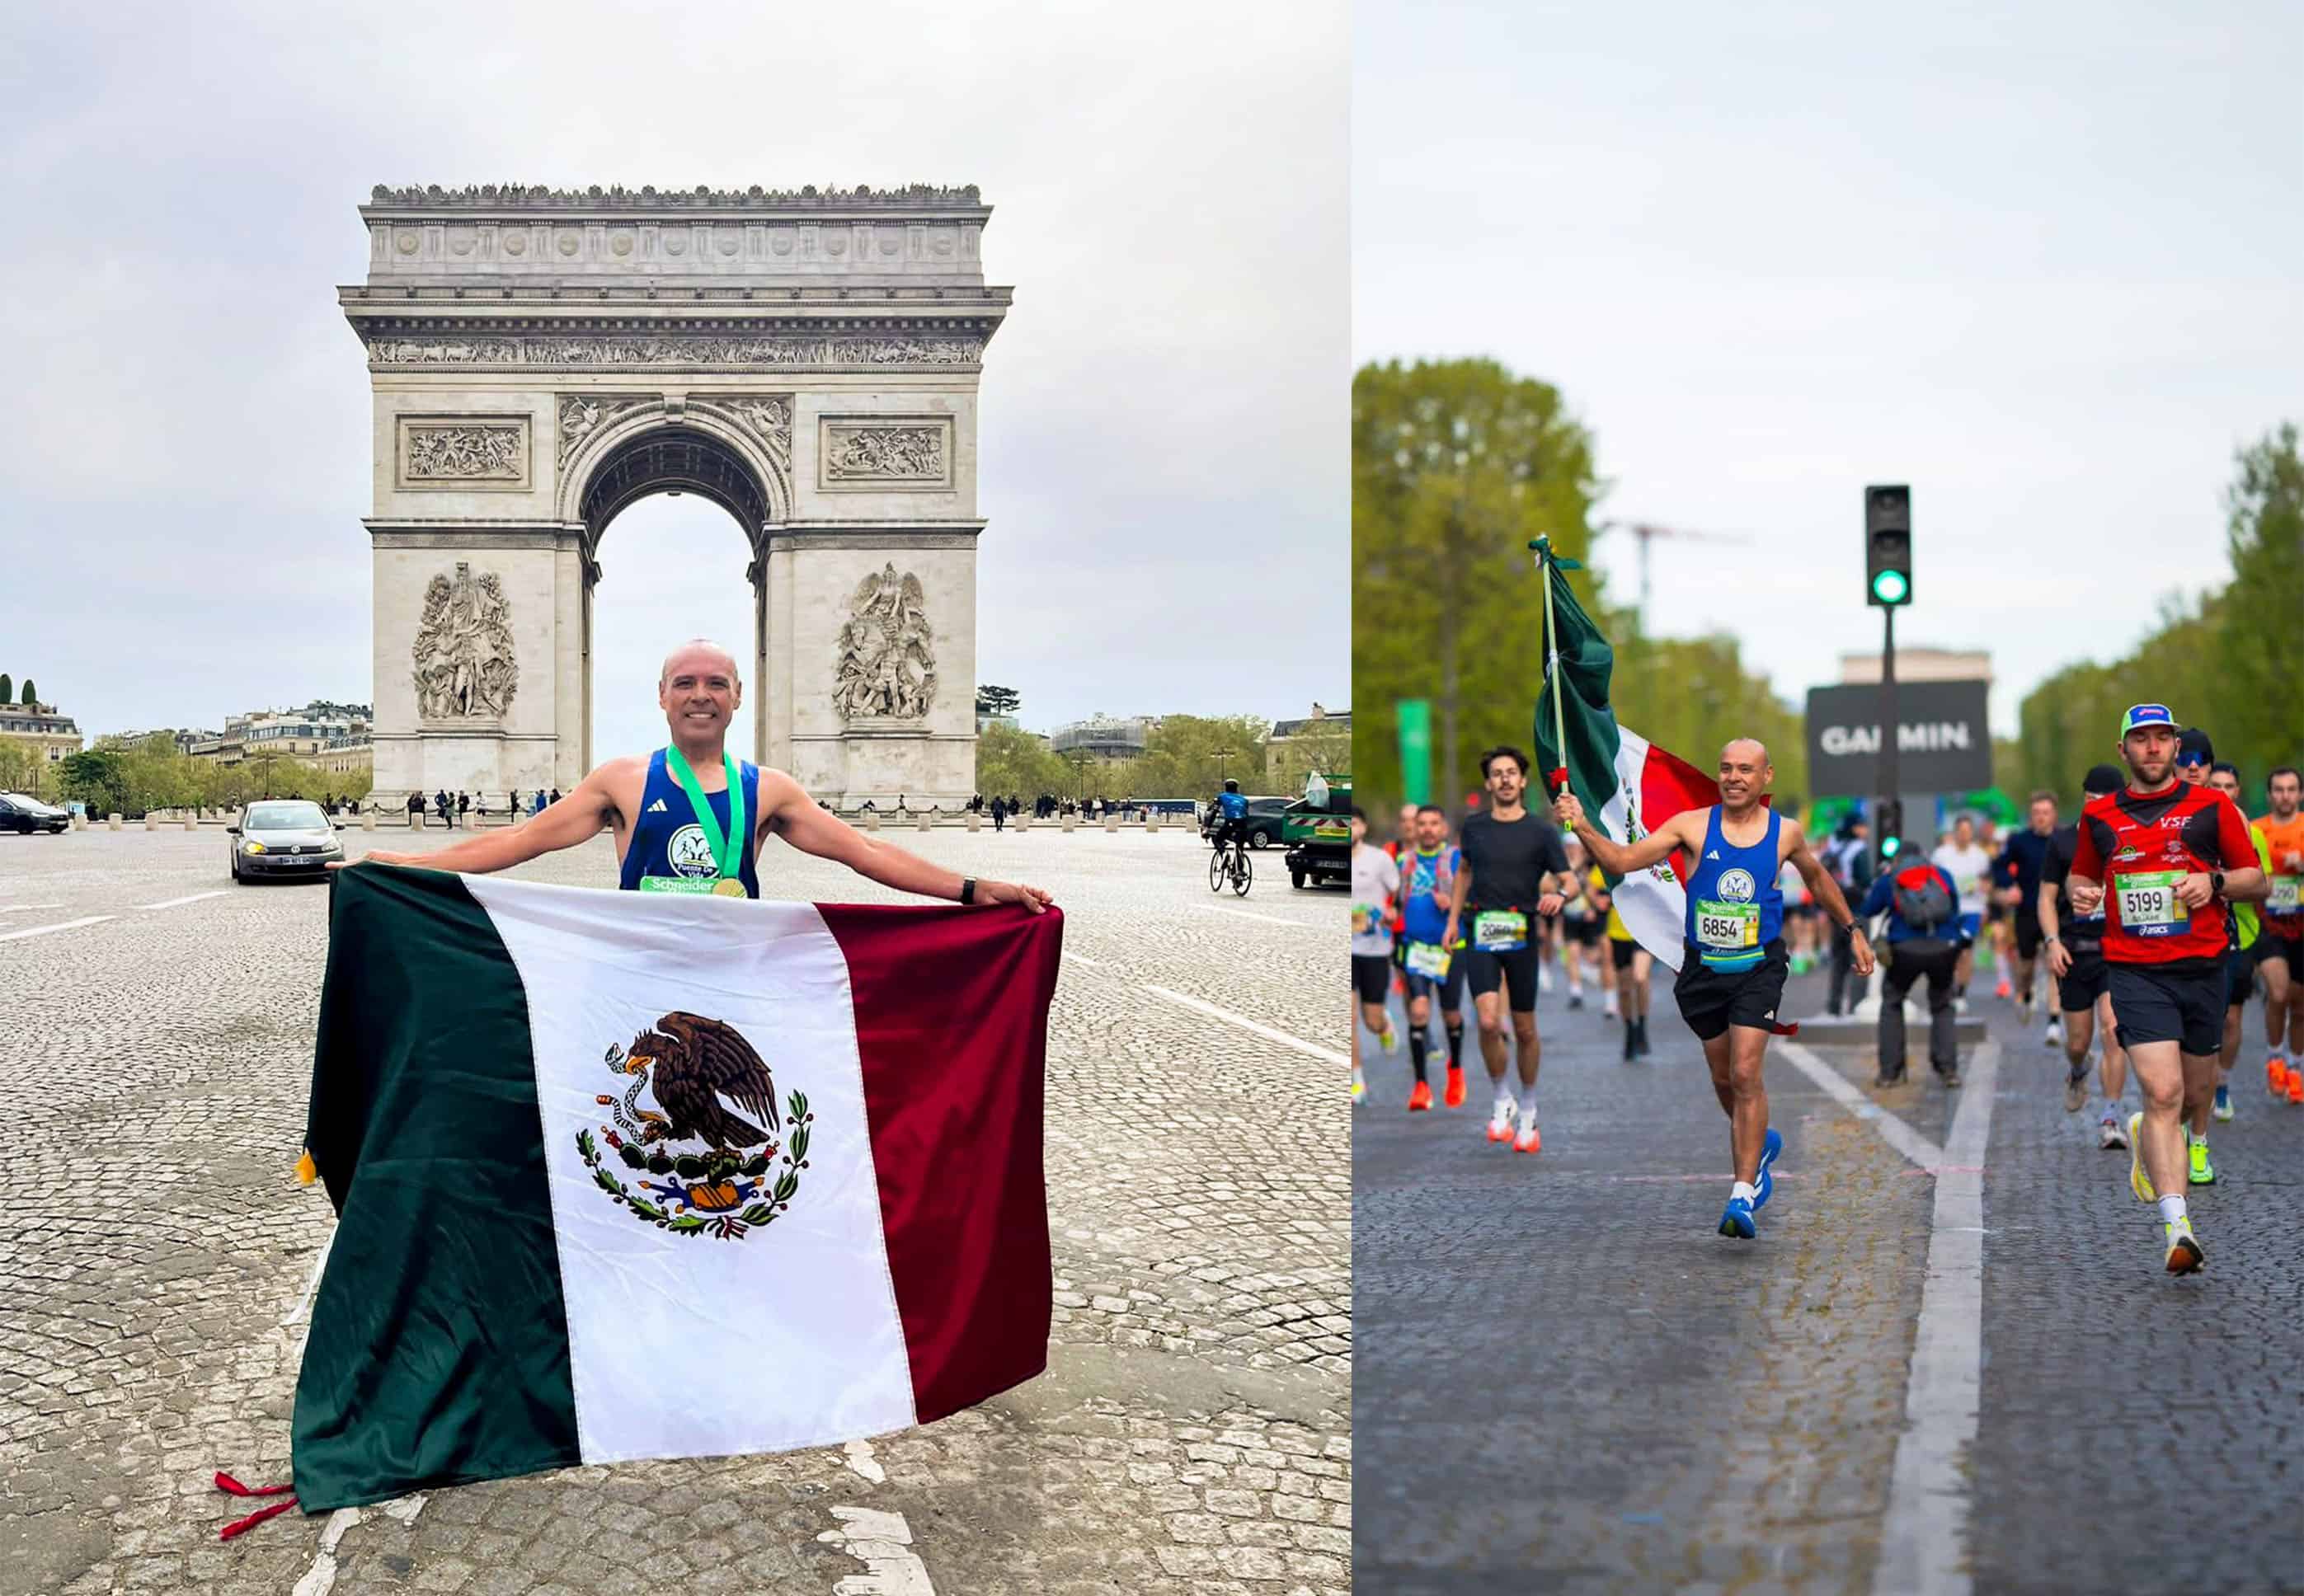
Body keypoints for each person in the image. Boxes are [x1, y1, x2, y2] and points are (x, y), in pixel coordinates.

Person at [345, 637, 1051, 914]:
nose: (700, 695)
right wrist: (407, 864)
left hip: (735, 972)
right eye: (684, 682)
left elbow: (864, 851)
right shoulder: (621, 781)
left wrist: (970, 889)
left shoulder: (771, 789)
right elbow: (519, 841)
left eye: (716, 683)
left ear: (738, 696)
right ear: (662, 696)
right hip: (640, 967)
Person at [1559, 739, 1872, 1238]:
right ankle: (1760, 1144)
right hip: (1703, 970)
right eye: (1726, 768)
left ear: (1766, 776)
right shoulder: (1690, 826)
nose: (1734, 777)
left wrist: (1852, 929)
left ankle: (1742, 1194)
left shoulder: (1785, 832)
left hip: (1758, 967)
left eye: (1745, 769)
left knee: (1746, 1072)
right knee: (1725, 1080)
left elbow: (1817, 879)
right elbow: (1620, 861)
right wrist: (1581, 824)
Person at [2064, 704, 2265, 1275]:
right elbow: (2081, 875)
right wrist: (2082, 892)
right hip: (2135, 971)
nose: (2152, 748)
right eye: (2141, 739)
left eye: (2162, 738)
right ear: (2123, 749)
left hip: (2203, 968)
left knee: (2196, 1095)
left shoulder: (2212, 806)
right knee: (2162, 1091)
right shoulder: (2099, 815)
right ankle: (2179, 1229)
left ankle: (2148, 1139)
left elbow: (2257, 879)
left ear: (2176, 746)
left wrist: (2214, 881)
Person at [1441, 748, 1578, 1155]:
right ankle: (1502, 1097)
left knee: (1525, 1030)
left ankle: (1529, 1107)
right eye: (1497, 773)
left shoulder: (1541, 832)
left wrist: (1561, 896)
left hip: (1521, 932)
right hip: (1480, 928)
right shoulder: (1474, 827)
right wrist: (1452, 922)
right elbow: (1464, 872)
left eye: (1511, 772)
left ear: (1522, 781)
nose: (1504, 779)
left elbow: (1569, 880)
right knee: (1487, 1022)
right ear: (1488, 783)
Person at [2039, 764, 2132, 1144]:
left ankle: (2111, 1118)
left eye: (2108, 801)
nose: (2100, 807)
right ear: (2084, 798)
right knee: (2078, 1042)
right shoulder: (2063, 842)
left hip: (2114, 950)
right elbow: (2046, 898)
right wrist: (2052, 941)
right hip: (2074, 951)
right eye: (2094, 800)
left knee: (2113, 1030)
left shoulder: (2127, 837)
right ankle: (2078, 1069)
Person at [2204, 760, 2270, 1142]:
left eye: (2229, 786)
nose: (2222, 793)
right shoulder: (2197, 826)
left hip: (2240, 936)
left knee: (2230, 1020)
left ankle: (2223, 1083)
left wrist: (2224, 883)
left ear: (2238, 791)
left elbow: (2263, 885)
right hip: (2200, 938)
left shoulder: (2250, 830)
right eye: (2216, 786)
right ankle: (2197, 1086)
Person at [1861, 852, 1964, 1087]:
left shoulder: (1890, 878)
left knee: (1892, 1002)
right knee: (1943, 1005)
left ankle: (1889, 1073)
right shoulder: (1942, 874)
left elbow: (1868, 909)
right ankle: (1948, 1070)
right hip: (1943, 947)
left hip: (1905, 949)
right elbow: (1955, 909)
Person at [1395, 805, 1468, 1110]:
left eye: (1433, 823)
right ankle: (1421, 1086)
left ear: (1444, 828)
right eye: (1422, 823)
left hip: (1450, 948)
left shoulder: (1457, 859)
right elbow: (1395, 898)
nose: (1427, 829)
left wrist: (1452, 902)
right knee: (1419, 1011)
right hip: (1416, 948)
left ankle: (1455, 1069)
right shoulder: (1404, 861)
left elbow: (1473, 898)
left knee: (1451, 1014)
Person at [1992, 791, 2062, 1044]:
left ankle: (2054, 1022)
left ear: (2054, 814)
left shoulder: (2064, 840)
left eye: (2045, 812)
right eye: (2036, 813)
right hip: (2027, 911)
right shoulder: (2019, 841)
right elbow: (1999, 866)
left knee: (2055, 965)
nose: (2041, 817)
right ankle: (2025, 991)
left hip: (2057, 912)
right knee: (2026, 965)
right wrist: (2009, 886)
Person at [2255, 765, 2304, 1100]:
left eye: (2291, 789)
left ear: (2300, 794)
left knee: (2300, 1007)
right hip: (2268, 925)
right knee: (2278, 992)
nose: (2285, 796)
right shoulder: (2256, 830)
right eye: (2279, 790)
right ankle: (2275, 1057)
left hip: (2301, 926)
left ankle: (2295, 1067)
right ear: (2270, 795)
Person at [1350, 808, 1400, 1105]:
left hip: (1375, 948)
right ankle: (1356, 1080)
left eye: (1354, 823)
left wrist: (1393, 911)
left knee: (1371, 1020)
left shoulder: (1379, 860)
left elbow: (1399, 893)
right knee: (1349, 1016)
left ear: (1364, 828)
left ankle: (1384, 1024)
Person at [1930, 814, 1995, 1012]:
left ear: (1972, 833)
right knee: (1948, 951)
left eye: (1968, 831)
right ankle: (1947, 988)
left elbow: (1987, 884)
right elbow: (1932, 880)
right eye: (1961, 831)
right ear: (1955, 832)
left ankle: (1960, 993)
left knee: (1965, 952)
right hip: (1948, 910)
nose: (1964, 835)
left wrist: (1985, 907)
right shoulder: (1941, 855)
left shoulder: (1980, 856)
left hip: (1972, 910)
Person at [1598, 867, 1653, 1060]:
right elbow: (1594, 889)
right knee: (1624, 989)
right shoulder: (1611, 862)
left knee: (1640, 977)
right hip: (1618, 932)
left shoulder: (1645, 860)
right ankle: (1630, 1030)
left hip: (1643, 930)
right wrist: (1598, 901)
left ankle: (1642, 1027)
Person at [1826, 817, 1874, 1015]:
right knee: (1860, 958)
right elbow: (1866, 880)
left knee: (1839, 960)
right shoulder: (1859, 849)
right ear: (1855, 828)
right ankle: (1856, 1005)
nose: (1866, 830)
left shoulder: (1834, 846)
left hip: (1836, 910)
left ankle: (1834, 1005)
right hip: (1856, 910)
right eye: (1863, 826)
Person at [1209, 779, 1250, 875]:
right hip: (1242, 824)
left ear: (1226, 788)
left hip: (1230, 823)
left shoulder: (1222, 797)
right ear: (1237, 788)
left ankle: (1224, 854)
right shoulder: (1244, 800)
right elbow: (1246, 814)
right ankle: (1239, 871)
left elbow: (1214, 812)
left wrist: (1208, 827)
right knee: (1240, 847)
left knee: (1218, 839)